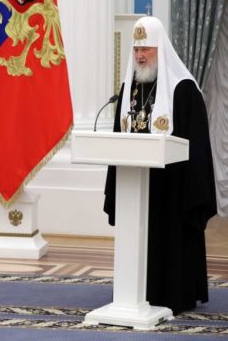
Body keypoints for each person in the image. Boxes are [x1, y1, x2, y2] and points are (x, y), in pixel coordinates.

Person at [103, 16, 217, 315]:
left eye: (146, 49)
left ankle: (174, 294)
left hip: (172, 189)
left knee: (170, 243)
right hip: (134, 184)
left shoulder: (184, 90)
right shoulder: (128, 88)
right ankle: (134, 294)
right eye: (136, 49)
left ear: (160, 50)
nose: (140, 56)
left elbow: (197, 148)